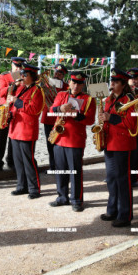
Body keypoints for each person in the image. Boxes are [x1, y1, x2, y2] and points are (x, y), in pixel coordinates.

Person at [48, 71, 96, 212]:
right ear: (69, 82)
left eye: (79, 84)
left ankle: (77, 200)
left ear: (83, 85)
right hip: (59, 138)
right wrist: (59, 108)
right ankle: (62, 197)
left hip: (75, 140)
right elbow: (51, 110)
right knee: (60, 171)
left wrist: (76, 116)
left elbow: (90, 120)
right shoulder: (61, 95)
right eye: (74, 82)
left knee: (75, 172)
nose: (76, 86)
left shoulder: (88, 99)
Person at [99, 68, 136, 227]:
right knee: (111, 178)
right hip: (110, 142)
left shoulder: (129, 100)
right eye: (111, 81)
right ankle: (112, 209)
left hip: (122, 144)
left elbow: (131, 123)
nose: (111, 84)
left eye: (115, 82)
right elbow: (105, 118)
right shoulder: (108, 99)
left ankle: (125, 214)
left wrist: (111, 118)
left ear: (122, 84)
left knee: (122, 179)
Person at [8, 64, 45, 199]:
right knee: (18, 161)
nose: (22, 77)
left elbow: (35, 110)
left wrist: (16, 101)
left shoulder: (37, 90)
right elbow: (14, 107)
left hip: (27, 130)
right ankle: (21, 186)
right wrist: (9, 112)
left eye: (25, 75)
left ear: (33, 77)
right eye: (22, 74)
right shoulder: (20, 89)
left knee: (28, 161)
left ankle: (34, 188)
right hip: (15, 129)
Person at [0, 57, 26, 171]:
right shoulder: (4, 76)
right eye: (16, 66)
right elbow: (1, 93)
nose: (18, 68)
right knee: (2, 137)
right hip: (5, 110)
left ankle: (11, 160)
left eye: (20, 66)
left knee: (14, 138)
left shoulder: (25, 77)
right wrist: (14, 84)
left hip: (17, 111)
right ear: (12, 65)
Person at [41, 64, 69, 171]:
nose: (57, 75)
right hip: (48, 117)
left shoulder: (67, 87)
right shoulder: (46, 85)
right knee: (50, 143)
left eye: (60, 73)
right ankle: (52, 166)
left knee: (61, 143)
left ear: (63, 75)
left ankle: (61, 165)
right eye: (56, 72)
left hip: (61, 119)